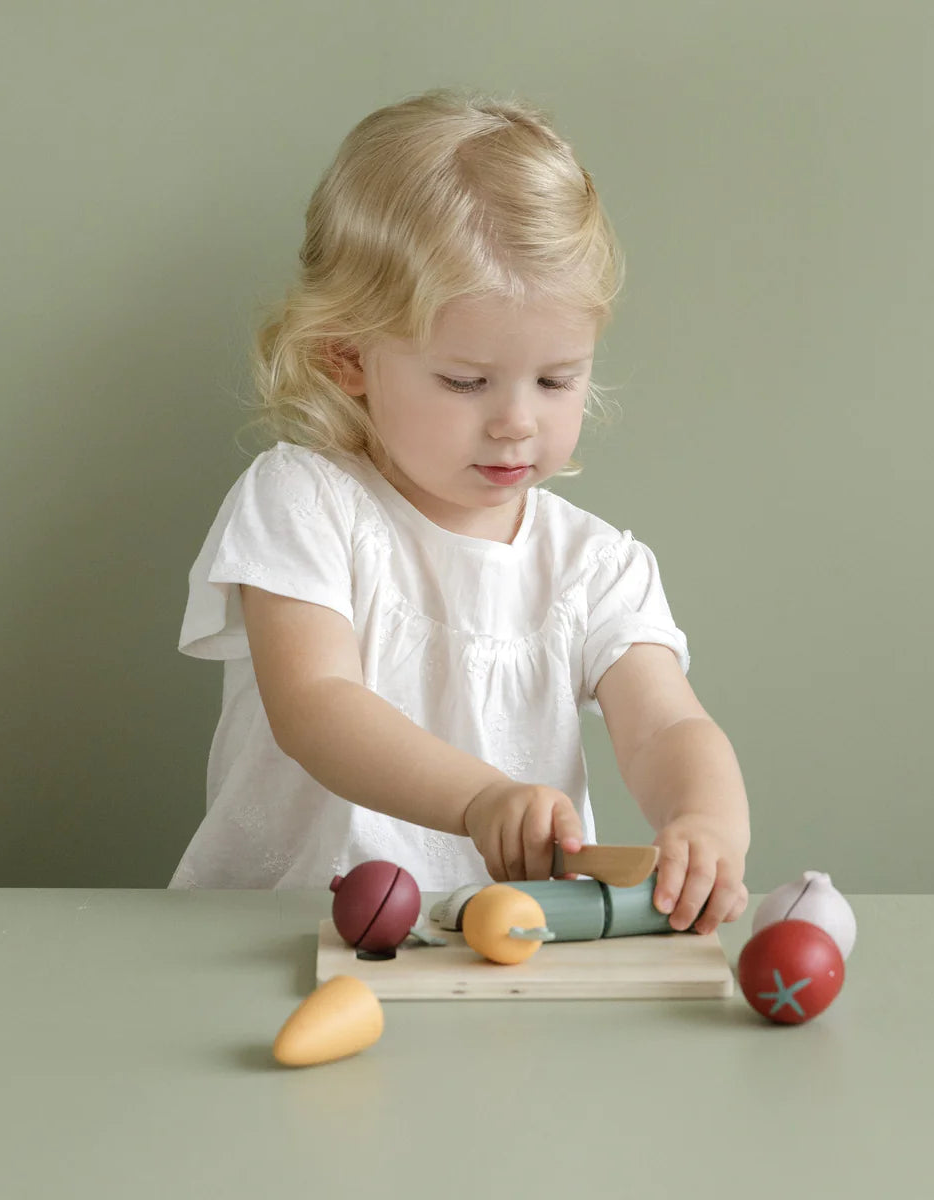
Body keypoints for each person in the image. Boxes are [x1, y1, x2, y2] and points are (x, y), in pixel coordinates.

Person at [170, 88, 750, 936]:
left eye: (557, 380)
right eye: (466, 381)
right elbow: (317, 702)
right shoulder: (303, 501)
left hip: (501, 952)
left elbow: (666, 725)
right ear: (348, 358)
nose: (517, 419)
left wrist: (706, 827)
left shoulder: (592, 566)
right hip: (279, 937)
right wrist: (479, 798)